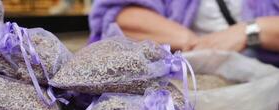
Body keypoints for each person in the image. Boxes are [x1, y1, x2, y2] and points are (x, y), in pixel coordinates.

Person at [89, 0, 279, 66]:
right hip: (180, 87)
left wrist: (249, 31)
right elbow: (120, 16)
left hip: (264, 92)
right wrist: (190, 41)